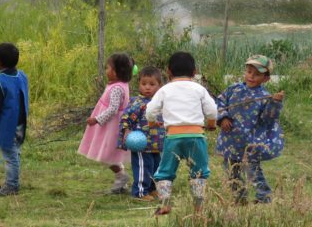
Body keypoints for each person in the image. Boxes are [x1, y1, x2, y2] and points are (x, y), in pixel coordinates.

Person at [146, 51, 218, 215]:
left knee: (165, 172)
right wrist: (212, 124)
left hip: (173, 137)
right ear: (194, 72)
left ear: (168, 71)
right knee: (199, 172)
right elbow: (212, 110)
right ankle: (198, 208)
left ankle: (165, 204)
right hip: (196, 137)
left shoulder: (165, 90)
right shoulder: (199, 89)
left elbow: (150, 110)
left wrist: (151, 123)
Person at [215, 55, 284, 204]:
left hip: (250, 144)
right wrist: (223, 118)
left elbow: (268, 118)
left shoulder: (265, 97)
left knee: (252, 171)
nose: (251, 76)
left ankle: (263, 197)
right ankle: (239, 198)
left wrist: (275, 103)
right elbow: (219, 102)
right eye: (249, 72)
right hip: (230, 140)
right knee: (232, 171)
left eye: (257, 74)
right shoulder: (233, 89)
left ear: (266, 79)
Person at [78, 53, 134, 194]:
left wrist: (97, 119)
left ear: (116, 72)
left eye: (108, 68)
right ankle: (121, 181)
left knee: (106, 155)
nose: (106, 70)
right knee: (111, 155)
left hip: (111, 127)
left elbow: (113, 109)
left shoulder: (116, 88)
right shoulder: (120, 84)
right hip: (110, 126)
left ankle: (121, 176)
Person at [0, 43, 29, 196]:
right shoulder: (22, 75)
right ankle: (12, 182)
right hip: (21, 123)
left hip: (8, 125)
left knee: (10, 155)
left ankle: (11, 186)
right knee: (14, 153)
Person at [117, 66, 166, 201]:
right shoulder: (137, 102)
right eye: (144, 84)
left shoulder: (160, 102)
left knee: (156, 166)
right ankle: (139, 192)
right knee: (143, 167)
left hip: (157, 143)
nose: (147, 87)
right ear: (139, 84)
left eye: (152, 84)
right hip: (141, 143)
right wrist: (126, 130)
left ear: (159, 86)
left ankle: (152, 188)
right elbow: (126, 117)